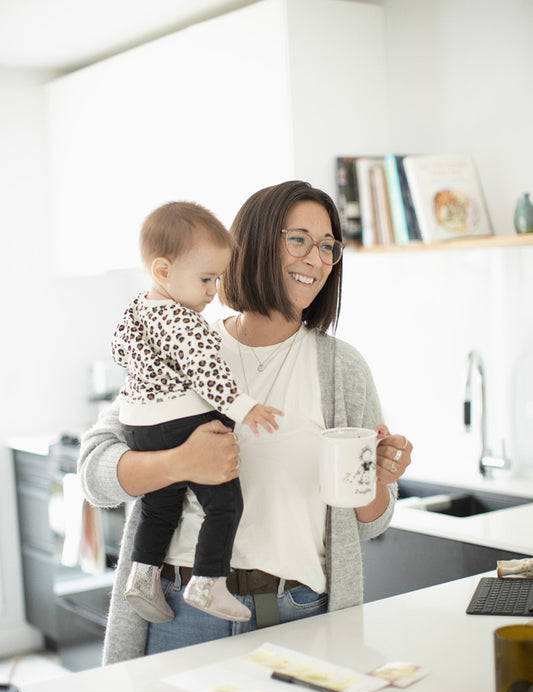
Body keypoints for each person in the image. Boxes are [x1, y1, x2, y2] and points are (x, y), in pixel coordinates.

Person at [78, 180, 413, 666]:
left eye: (327, 247)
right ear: (254, 243)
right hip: (181, 616)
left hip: (296, 614)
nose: (316, 259)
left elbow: (373, 520)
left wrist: (377, 476)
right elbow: (94, 474)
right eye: (298, 239)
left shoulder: (341, 369)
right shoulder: (187, 343)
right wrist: (180, 462)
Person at [111, 201, 282, 625]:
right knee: (224, 504)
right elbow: (208, 371)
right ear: (163, 270)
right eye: (206, 279)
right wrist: (245, 407)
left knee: (160, 506)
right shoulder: (184, 322)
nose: (212, 291)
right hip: (182, 421)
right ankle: (208, 581)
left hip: (139, 424)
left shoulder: (137, 308)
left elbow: (118, 349)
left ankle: (142, 575)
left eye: (217, 279)